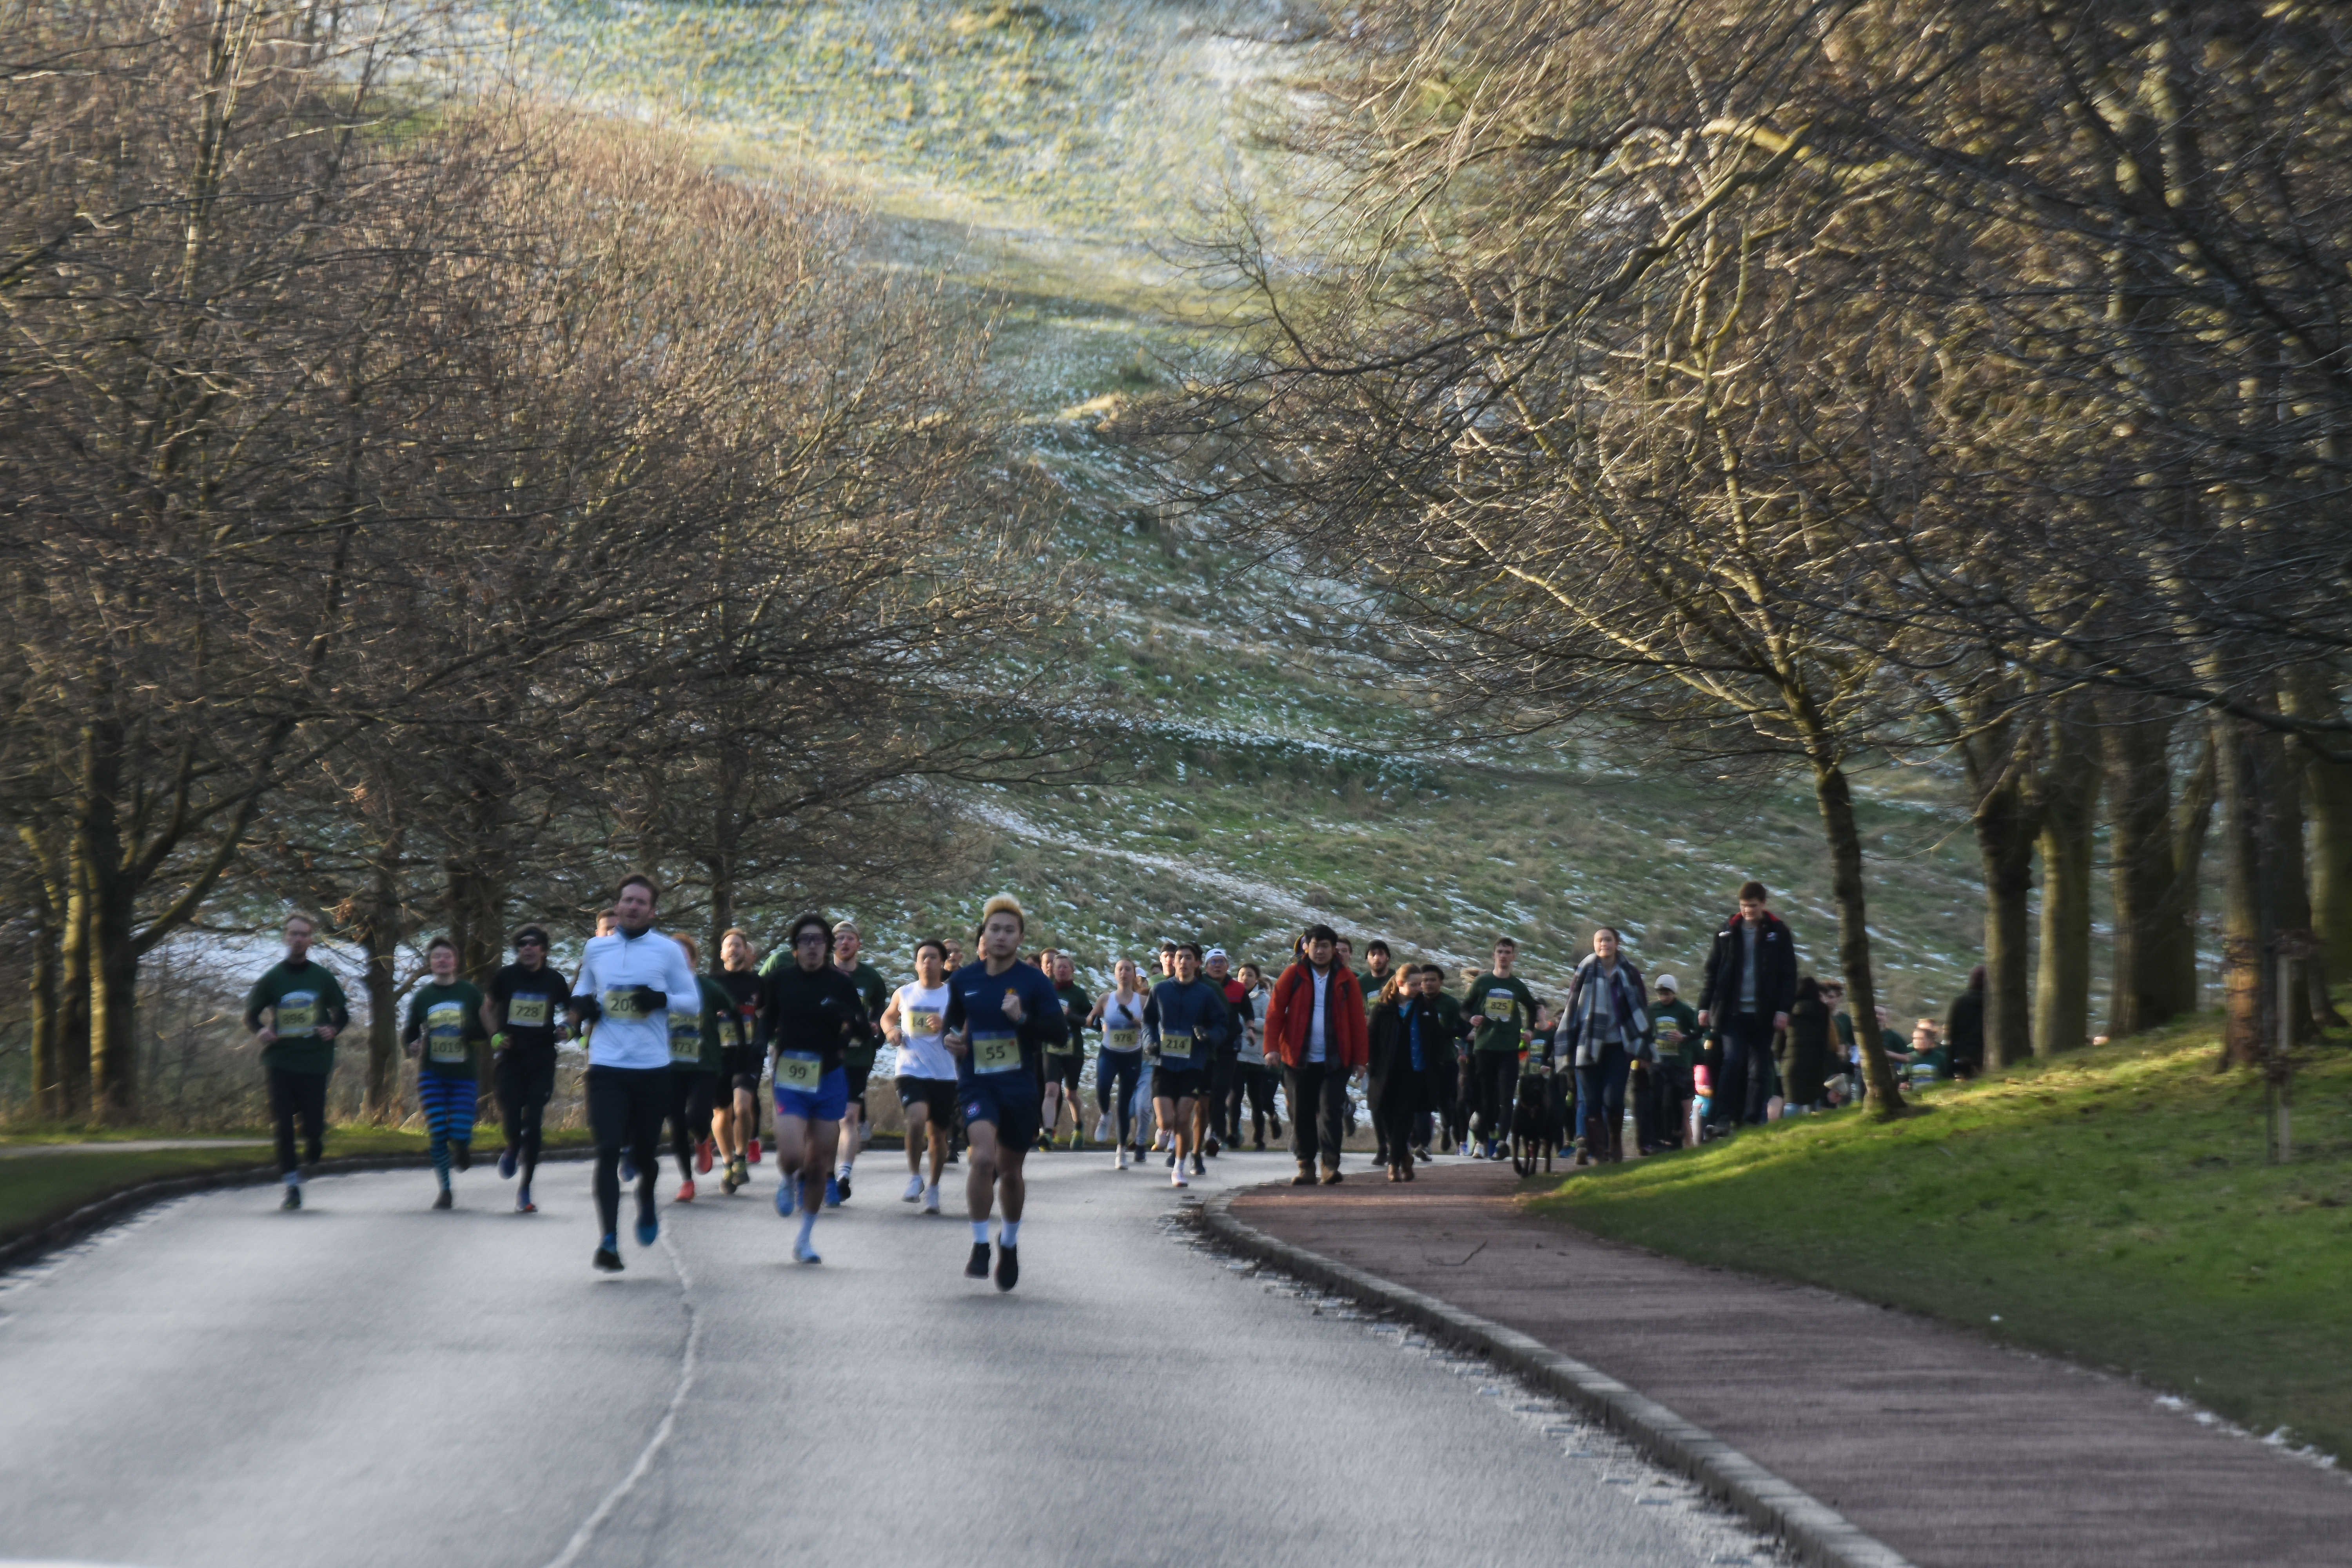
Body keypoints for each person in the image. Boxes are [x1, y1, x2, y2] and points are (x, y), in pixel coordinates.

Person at [570, 875, 701, 1272]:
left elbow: (693, 1002)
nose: (631, 907)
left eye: (640, 902)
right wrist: (581, 1012)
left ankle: (646, 1198)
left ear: (652, 910)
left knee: (644, 1153)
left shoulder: (667, 952)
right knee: (608, 1148)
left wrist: (661, 999)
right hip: (606, 1066)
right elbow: (580, 992)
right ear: (618, 903)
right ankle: (608, 1240)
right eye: (626, 900)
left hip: (652, 1069)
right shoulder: (596, 948)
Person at [942, 894, 1067, 1290]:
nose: (1000, 936)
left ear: (1020, 937)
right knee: (982, 1159)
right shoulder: (964, 980)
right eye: (994, 929)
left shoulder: (1035, 982)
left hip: (1019, 1087)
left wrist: (1023, 1018)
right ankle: (980, 1244)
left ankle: (1008, 1243)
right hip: (977, 1083)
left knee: (1011, 1171)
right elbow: (951, 1025)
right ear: (984, 933)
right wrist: (953, 1041)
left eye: (1009, 930)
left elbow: (1059, 1033)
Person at [758, 911, 873, 1263]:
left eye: (818, 940)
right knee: (792, 1155)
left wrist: (849, 1018)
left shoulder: (840, 983)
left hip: (830, 1076)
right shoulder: (780, 981)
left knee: (820, 1159)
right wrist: (754, 1059)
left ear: (827, 946)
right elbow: (765, 1025)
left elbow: (864, 1032)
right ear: (795, 948)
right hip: (791, 1073)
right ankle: (787, 1179)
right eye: (805, 941)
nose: (812, 947)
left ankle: (805, 1237)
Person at [243, 913, 349, 1211]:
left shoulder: (322, 977)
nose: (298, 939)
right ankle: (292, 1186)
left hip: (315, 1062)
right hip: (280, 1061)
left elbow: (342, 1013)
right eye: (293, 934)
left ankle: (315, 1142)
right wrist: (262, 1030)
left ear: (311, 939)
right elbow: (251, 1015)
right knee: (283, 1126)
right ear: (285, 938)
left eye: (303, 934)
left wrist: (333, 1029)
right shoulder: (273, 978)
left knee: (313, 1127)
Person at [1264, 924, 1367, 1186]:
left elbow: (1357, 1020)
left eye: (1324, 946)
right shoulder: (1293, 974)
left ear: (1334, 950)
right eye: (1314, 945)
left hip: (1336, 1060)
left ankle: (1330, 1165)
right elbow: (1275, 1012)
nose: (1319, 951)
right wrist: (1271, 1048)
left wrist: (1360, 1059)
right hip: (1297, 1060)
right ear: (1306, 947)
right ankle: (1306, 1165)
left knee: (1331, 1110)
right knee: (1301, 1112)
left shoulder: (1347, 979)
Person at [1697, 881, 1799, 1131]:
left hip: (1764, 1015)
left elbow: (1789, 975)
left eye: (1753, 906)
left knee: (1758, 1068)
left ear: (1763, 904)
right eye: (1743, 906)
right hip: (1732, 1012)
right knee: (1732, 1061)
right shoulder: (1726, 933)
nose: (1747, 911)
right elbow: (1713, 972)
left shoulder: (1779, 933)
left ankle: (1752, 1120)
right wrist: (1704, 1007)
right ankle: (1722, 1118)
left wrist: (1783, 1010)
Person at [485, 925, 568, 1212]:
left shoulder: (555, 981)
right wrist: (495, 1034)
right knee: (510, 1113)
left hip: (542, 1059)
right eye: (522, 944)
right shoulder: (506, 977)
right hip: (511, 1058)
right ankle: (511, 1145)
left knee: (534, 1121)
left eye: (533, 944)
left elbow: (571, 1011)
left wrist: (567, 1028)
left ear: (544, 949)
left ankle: (526, 1190)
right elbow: (485, 1009)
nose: (527, 948)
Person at [403, 936, 488, 1209]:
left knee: (460, 1131)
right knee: (438, 1132)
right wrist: (412, 1044)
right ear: (430, 964)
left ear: (456, 962)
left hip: (463, 1074)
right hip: (432, 1074)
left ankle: (462, 1146)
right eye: (436, 957)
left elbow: (485, 1029)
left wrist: (465, 1033)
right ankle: (446, 1189)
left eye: (447, 956)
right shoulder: (422, 997)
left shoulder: (470, 993)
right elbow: (410, 1031)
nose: (442, 961)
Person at [1145, 942, 1231, 1187]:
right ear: (1173, 962)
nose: (1183, 961)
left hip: (1193, 1064)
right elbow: (1148, 1020)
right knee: (1166, 1121)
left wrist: (1208, 1035)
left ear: (1197, 963)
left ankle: (1179, 1168)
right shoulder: (1160, 990)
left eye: (1188, 957)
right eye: (1179, 957)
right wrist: (1150, 1042)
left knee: (1183, 1120)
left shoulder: (1206, 994)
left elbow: (1222, 1025)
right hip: (1163, 1062)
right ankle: (1163, 1131)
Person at [1562, 928, 1651, 1165]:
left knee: (1613, 1100)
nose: (1604, 944)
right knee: (1591, 1103)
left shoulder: (1629, 973)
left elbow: (1641, 1009)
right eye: (1600, 940)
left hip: (1617, 1047)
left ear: (1617, 943)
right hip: (1587, 1046)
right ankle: (1600, 1154)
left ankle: (1614, 1144)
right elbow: (1571, 1009)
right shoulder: (1584, 971)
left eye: (1609, 940)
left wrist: (1644, 1049)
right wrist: (1567, 1047)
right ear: (1594, 944)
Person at [882, 938, 958, 1212]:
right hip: (911, 1069)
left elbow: (966, 1028)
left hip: (945, 1073)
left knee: (938, 1134)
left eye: (934, 957)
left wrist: (947, 1025)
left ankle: (934, 1187)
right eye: (923, 957)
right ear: (916, 964)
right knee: (915, 1121)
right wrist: (891, 1031)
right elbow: (888, 1017)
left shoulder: (952, 995)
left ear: (943, 963)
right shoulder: (905, 993)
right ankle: (915, 1177)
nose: (928, 962)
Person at [662, 933, 728, 1201]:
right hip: (670, 1066)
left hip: (704, 1064)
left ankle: (703, 1139)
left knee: (698, 1117)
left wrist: (733, 1037)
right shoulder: (660, 990)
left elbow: (733, 1012)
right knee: (676, 1123)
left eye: (683, 955)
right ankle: (687, 1181)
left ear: (693, 960)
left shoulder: (707, 988)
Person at [827, 919, 888, 1204]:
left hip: (857, 1056)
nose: (845, 943)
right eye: (839, 938)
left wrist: (874, 1025)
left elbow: (880, 1005)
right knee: (825, 1119)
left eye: (850, 938)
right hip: (825, 1054)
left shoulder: (870, 978)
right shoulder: (822, 974)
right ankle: (821, 1173)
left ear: (858, 944)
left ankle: (844, 1176)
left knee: (849, 1117)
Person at [1462, 938, 1539, 1159]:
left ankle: (1503, 1143)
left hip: (1508, 1049)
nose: (1504, 956)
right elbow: (1465, 1008)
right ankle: (1482, 1142)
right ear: (1494, 955)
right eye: (1500, 952)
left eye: (1508, 952)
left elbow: (1532, 1007)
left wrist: (1530, 1030)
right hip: (1485, 1047)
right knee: (1486, 1098)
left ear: (1514, 957)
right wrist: (1472, 1017)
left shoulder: (1517, 985)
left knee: (1506, 1098)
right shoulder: (1483, 982)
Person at [1367, 965, 1438, 1182]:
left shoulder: (1426, 1007)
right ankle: (1404, 1156)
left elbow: (1434, 1039)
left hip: (1415, 1072)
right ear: (1400, 984)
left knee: (1404, 1117)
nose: (1420, 988)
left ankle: (1394, 1164)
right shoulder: (1383, 1009)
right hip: (1387, 1073)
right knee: (1387, 1117)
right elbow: (1372, 1039)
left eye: (1422, 984)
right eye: (1415, 984)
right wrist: (1372, 1066)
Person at [711, 929, 763, 1196]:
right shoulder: (711, 982)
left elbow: (767, 1016)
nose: (733, 949)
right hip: (718, 1055)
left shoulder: (758, 983)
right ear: (722, 953)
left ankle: (742, 1158)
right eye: (729, 945)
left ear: (746, 951)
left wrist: (762, 1042)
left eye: (738, 945)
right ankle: (728, 1163)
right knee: (722, 1113)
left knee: (743, 1107)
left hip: (748, 1056)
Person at [1088, 959, 1149, 1168]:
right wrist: (1096, 1022)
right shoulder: (1106, 999)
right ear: (1115, 974)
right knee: (1103, 1087)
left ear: (1134, 975)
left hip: (1132, 1055)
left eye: (1128, 969)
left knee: (1124, 1103)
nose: (1124, 973)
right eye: (1120, 969)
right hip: (1109, 1053)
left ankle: (1121, 1150)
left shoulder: (1141, 1002)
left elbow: (1151, 1025)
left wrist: (1138, 1023)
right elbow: (1091, 1019)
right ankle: (1105, 1114)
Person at [1201, 947, 1251, 1155]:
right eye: (1214, 962)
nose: (1218, 965)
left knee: (1220, 1090)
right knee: (1203, 1094)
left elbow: (1248, 1013)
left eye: (1221, 962)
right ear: (1205, 966)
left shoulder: (1238, 989)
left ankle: (1216, 1135)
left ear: (1228, 966)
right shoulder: (1200, 985)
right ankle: (1197, 1132)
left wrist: (1250, 1029)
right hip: (1203, 1046)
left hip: (1228, 1047)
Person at [1041, 952, 1093, 1150]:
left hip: (1074, 1050)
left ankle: (1078, 1126)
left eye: (1066, 967)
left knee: (1071, 1094)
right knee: (1051, 1090)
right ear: (1052, 970)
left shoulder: (1078, 994)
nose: (1062, 970)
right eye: (1058, 967)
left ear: (1072, 971)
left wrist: (1071, 1015)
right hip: (1051, 1048)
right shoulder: (1046, 991)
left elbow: (1090, 1021)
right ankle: (1047, 1132)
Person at [1646, 974, 1700, 1154]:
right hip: (1660, 1064)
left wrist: (1684, 1037)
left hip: (1680, 1065)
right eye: (1661, 993)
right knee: (1659, 1101)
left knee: (1680, 1107)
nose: (1664, 997)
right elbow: (1644, 1031)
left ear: (1674, 993)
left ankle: (1680, 1141)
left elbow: (1700, 1030)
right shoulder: (1653, 1010)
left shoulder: (1683, 1010)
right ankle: (1659, 1141)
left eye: (1668, 993)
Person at [1230, 960, 1280, 1150]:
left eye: (1250, 975)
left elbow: (1269, 1023)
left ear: (1257, 978)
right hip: (1237, 1055)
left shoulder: (1264, 1000)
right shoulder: (1233, 996)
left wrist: (1248, 1021)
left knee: (1256, 1099)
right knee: (1235, 1097)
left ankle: (1259, 1138)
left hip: (1257, 1057)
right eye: (1242, 974)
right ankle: (1233, 1134)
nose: (1245, 978)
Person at [1778, 976, 1835, 1113]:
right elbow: (1824, 1040)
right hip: (1815, 1063)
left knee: (1792, 1103)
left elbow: (1780, 1039)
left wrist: (1779, 1056)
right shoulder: (1822, 1010)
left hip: (1791, 1062)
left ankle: (1786, 1131)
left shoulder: (1788, 1008)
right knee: (1814, 1101)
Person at [1944, 966, 1986, 1079]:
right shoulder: (1993, 1004)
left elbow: (1952, 1032)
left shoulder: (1961, 1002)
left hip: (1963, 1053)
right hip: (1985, 1053)